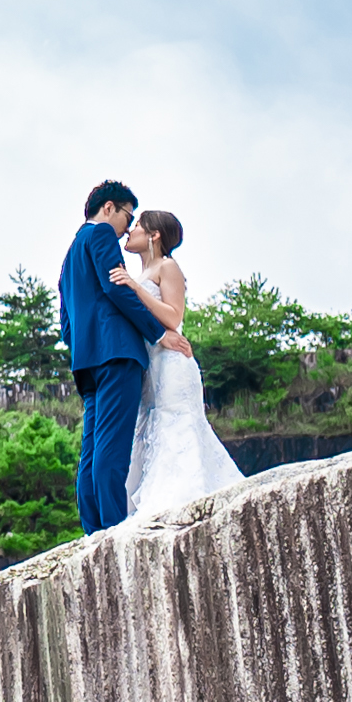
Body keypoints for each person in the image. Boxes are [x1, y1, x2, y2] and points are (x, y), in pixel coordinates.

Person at [114, 208, 245, 517]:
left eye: (138, 225)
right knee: (150, 430)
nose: (130, 230)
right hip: (150, 367)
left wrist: (135, 288)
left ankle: (184, 498)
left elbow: (174, 317)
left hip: (172, 364)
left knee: (175, 424)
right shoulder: (141, 274)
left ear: (154, 234)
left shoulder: (167, 266)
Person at [59, 179, 167, 532]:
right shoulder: (101, 234)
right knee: (113, 447)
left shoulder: (68, 258)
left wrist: (86, 348)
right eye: (127, 216)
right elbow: (115, 286)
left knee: (91, 450)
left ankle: (94, 529)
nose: (126, 229)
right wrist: (157, 333)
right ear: (108, 208)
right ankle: (114, 527)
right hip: (117, 353)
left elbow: (66, 326)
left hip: (86, 362)